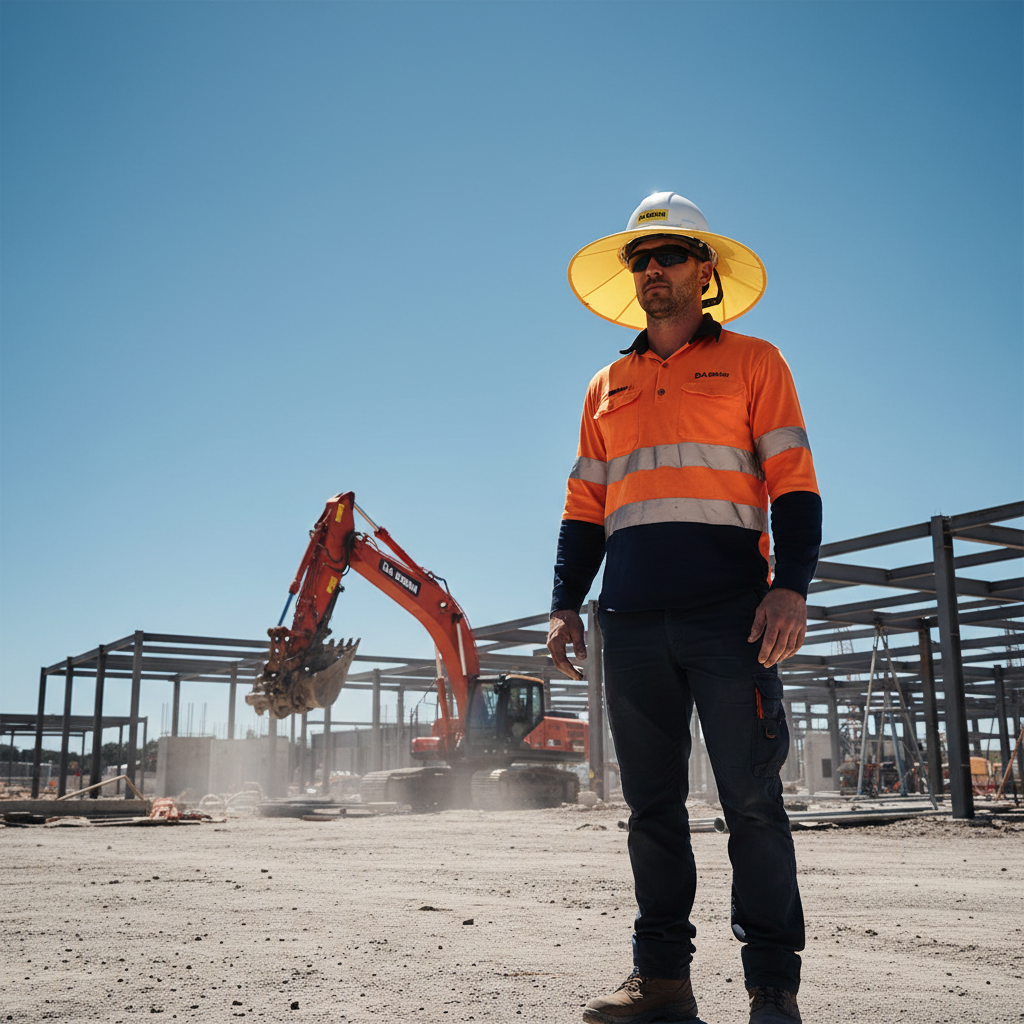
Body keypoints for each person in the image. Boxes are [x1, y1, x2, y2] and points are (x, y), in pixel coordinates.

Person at [547, 193, 821, 1024]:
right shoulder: (607, 383)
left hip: (730, 616)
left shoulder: (755, 362)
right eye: (640, 259)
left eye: (667, 255)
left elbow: (796, 485)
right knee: (652, 811)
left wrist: (792, 588)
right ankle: (662, 982)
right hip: (628, 623)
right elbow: (584, 505)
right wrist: (565, 603)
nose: (652, 270)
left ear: (706, 271)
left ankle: (772, 987)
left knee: (750, 802)